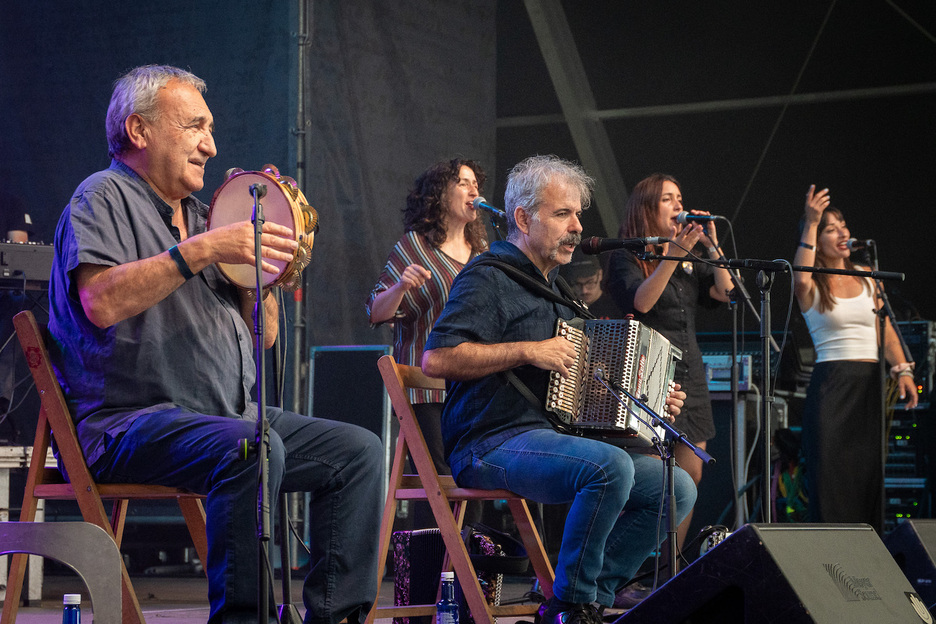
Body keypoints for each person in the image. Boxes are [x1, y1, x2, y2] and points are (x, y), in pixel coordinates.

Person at [46, 65, 383, 624]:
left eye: (211, 129)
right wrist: (203, 249)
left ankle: (336, 618)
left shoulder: (208, 217)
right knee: (252, 448)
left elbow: (263, 336)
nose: (211, 145)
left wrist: (265, 276)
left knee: (358, 452)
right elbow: (100, 302)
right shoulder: (101, 197)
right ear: (139, 130)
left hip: (223, 416)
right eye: (195, 127)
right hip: (127, 422)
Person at [422, 155, 697, 624]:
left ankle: (587, 596)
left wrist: (650, 402)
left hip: (551, 439)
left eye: (578, 214)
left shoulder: (559, 291)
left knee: (676, 487)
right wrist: (527, 350)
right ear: (523, 218)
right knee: (609, 467)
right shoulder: (489, 276)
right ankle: (570, 606)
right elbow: (437, 359)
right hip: (488, 442)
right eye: (563, 214)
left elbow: (584, 389)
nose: (577, 227)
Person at [605, 174, 733, 555]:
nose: (679, 205)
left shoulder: (689, 258)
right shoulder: (628, 255)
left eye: (680, 197)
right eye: (668, 198)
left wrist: (712, 246)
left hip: (690, 376)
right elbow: (641, 302)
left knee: (690, 475)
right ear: (647, 208)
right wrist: (673, 255)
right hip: (649, 374)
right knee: (648, 478)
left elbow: (727, 292)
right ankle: (630, 564)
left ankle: (668, 569)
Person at [793, 185, 917, 534]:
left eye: (842, 225)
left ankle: (867, 553)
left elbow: (885, 332)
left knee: (866, 477)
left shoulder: (867, 277)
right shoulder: (812, 284)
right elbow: (799, 276)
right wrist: (811, 222)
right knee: (831, 478)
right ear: (818, 240)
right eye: (830, 229)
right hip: (833, 385)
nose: (842, 233)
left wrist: (903, 370)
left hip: (868, 386)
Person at [366, 159, 487, 511]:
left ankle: (469, 547)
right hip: (425, 387)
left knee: (475, 481)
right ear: (440, 195)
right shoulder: (416, 247)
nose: (473, 190)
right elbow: (375, 311)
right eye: (463, 182)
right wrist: (401, 287)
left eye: (476, 183)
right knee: (442, 484)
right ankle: (439, 549)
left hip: (471, 387)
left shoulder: (482, 253)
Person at [559, 249, 622, 320]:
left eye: (590, 282)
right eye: (578, 284)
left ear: (600, 274)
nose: (584, 291)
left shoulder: (617, 308)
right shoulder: (567, 310)